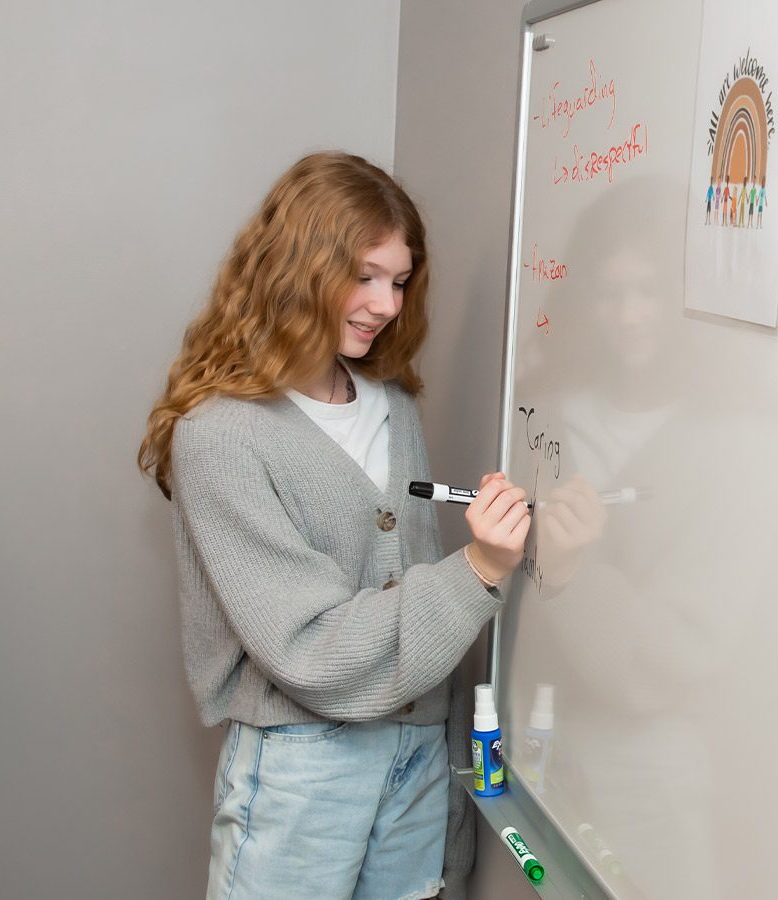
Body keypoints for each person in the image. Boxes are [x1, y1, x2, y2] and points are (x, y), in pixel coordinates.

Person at [138, 151, 530, 900]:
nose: (386, 304)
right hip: (304, 762)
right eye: (364, 275)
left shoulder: (393, 404)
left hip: (417, 751)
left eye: (400, 281)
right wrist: (478, 570)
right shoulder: (219, 434)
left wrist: (442, 776)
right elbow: (309, 647)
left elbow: (412, 596)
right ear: (297, 266)